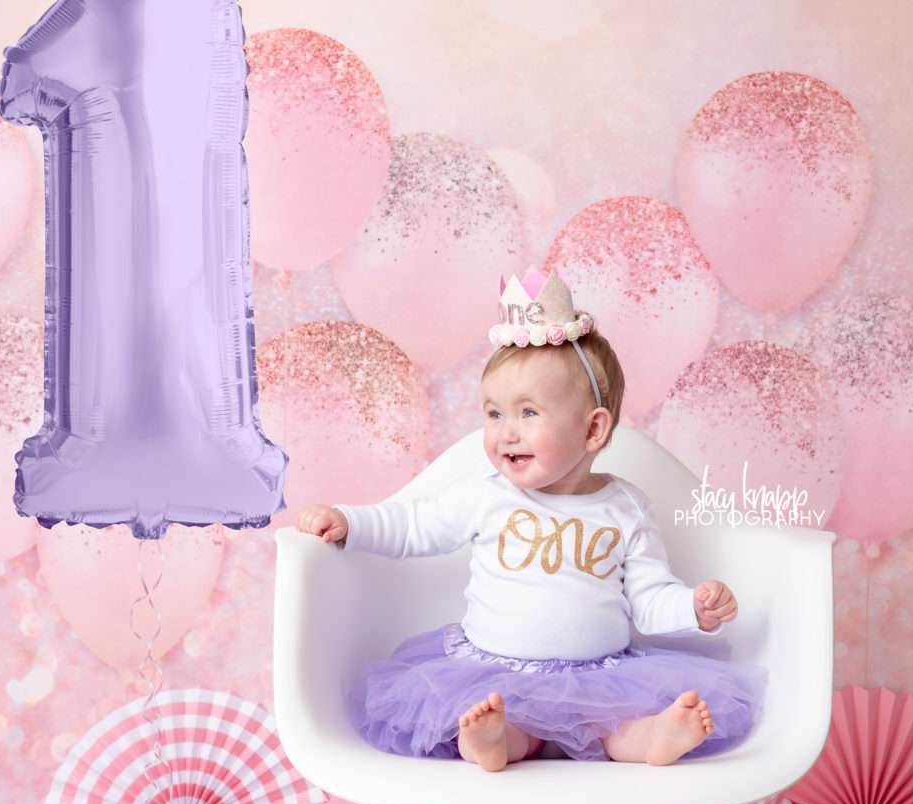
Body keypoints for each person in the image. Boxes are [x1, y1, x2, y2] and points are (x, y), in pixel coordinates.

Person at [297, 265, 767, 771]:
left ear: (592, 429)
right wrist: (350, 522)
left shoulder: (624, 508)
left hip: (598, 679)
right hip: (497, 674)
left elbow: (649, 599)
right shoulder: (487, 496)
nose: (507, 431)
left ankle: (652, 738)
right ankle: (493, 742)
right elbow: (415, 525)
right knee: (502, 716)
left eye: (528, 413)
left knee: (615, 724)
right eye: (494, 413)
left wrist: (692, 608)